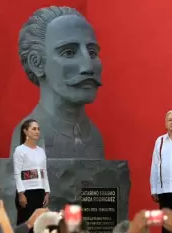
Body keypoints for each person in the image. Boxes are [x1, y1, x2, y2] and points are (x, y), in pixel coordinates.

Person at [10, 6, 105, 159]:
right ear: (37, 63)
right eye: (68, 53)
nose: (88, 67)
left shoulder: (95, 136)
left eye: (92, 52)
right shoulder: (28, 135)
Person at [13, 119, 50, 229]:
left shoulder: (41, 151)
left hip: (40, 191)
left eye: (38, 129)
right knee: (26, 224)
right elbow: (17, 173)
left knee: (39, 225)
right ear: (25, 131)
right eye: (33, 129)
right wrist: (21, 193)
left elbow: (44, 171)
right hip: (26, 192)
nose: (37, 131)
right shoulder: (20, 150)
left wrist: (47, 191)